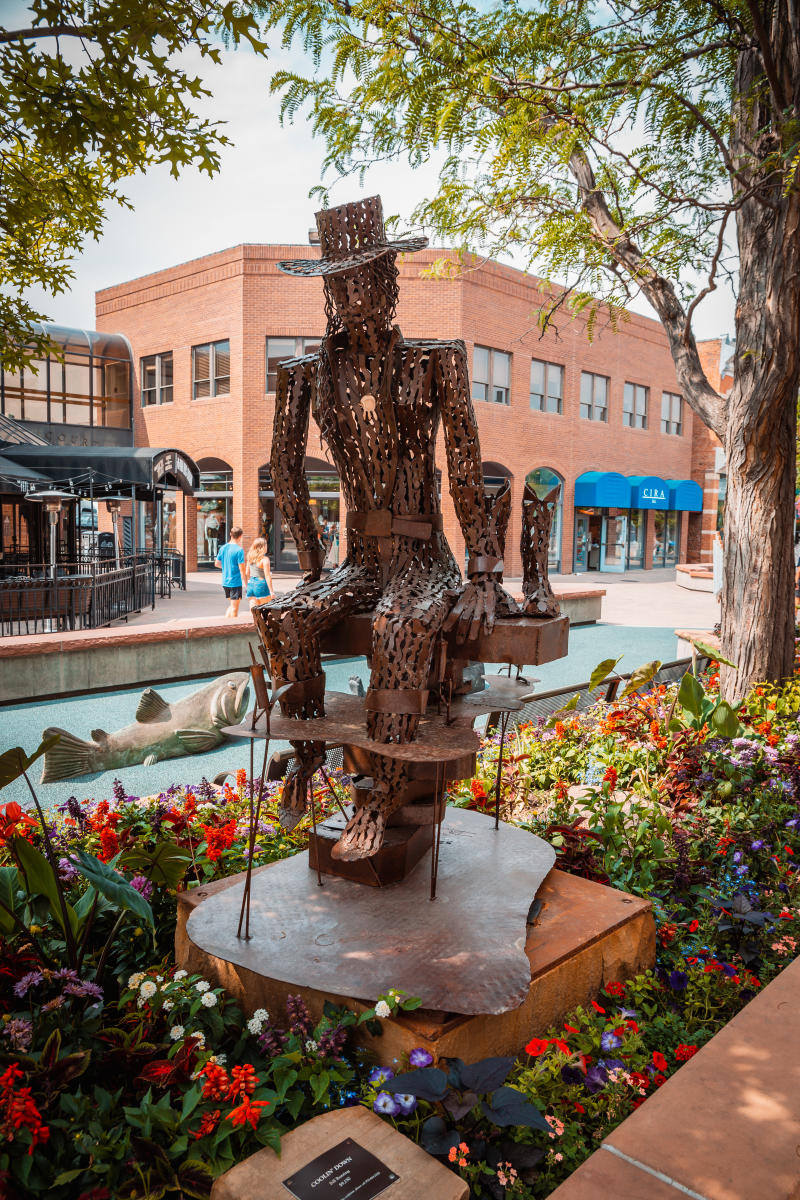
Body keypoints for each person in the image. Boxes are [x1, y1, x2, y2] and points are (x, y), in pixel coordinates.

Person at [254, 195, 517, 862]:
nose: (357, 293)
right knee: (284, 618)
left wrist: (484, 573)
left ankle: (381, 794)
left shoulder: (436, 361)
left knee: (398, 630)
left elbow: (464, 470)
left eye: (369, 278)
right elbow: (285, 471)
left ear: (392, 282)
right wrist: (312, 565)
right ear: (330, 291)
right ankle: (307, 756)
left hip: (421, 557)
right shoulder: (304, 374)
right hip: (360, 559)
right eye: (343, 281)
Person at [215, 526, 245, 617]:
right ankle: (230, 626)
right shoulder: (239, 550)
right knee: (234, 609)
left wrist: (226, 568)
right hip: (235, 582)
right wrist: (247, 584)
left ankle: (226, 624)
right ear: (240, 536)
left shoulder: (223, 548)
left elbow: (216, 564)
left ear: (230, 535)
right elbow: (242, 569)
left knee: (232, 606)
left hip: (225, 582)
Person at [245, 537, 273, 610]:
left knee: (253, 609)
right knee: (266, 609)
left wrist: (247, 585)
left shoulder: (249, 557)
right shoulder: (265, 559)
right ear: (263, 547)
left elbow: (247, 572)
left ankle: (255, 621)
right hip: (261, 584)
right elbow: (267, 576)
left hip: (251, 584)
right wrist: (271, 591)